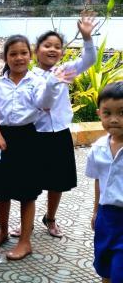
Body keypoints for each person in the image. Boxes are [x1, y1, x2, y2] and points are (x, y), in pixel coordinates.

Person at [9, 15, 97, 238]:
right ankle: (25, 223)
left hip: (59, 133)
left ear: (62, 52)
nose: (52, 50)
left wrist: (87, 37)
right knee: (31, 181)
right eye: (47, 45)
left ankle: (50, 218)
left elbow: (89, 59)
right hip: (35, 134)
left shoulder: (66, 70)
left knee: (57, 180)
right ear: (36, 50)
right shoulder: (29, 77)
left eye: (57, 47)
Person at [0, 35, 71, 260]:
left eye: (23, 53)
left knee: (27, 192)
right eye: (13, 53)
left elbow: (45, 103)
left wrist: (54, 83)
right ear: (5, 57)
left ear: (30, 55)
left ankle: (25, 241)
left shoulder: (37, 82)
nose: (18, 58)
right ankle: (3, 229)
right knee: (1, 190)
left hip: (28, 138)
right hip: (3, 137)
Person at [85, 81, 123, 283]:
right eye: (107, 113)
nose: (114, 119)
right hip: (106, 218)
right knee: (105, 268)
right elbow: (99, 180)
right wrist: (96, 211)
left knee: (120, 276)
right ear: (99, 113)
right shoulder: (98, 148)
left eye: (122, 112)